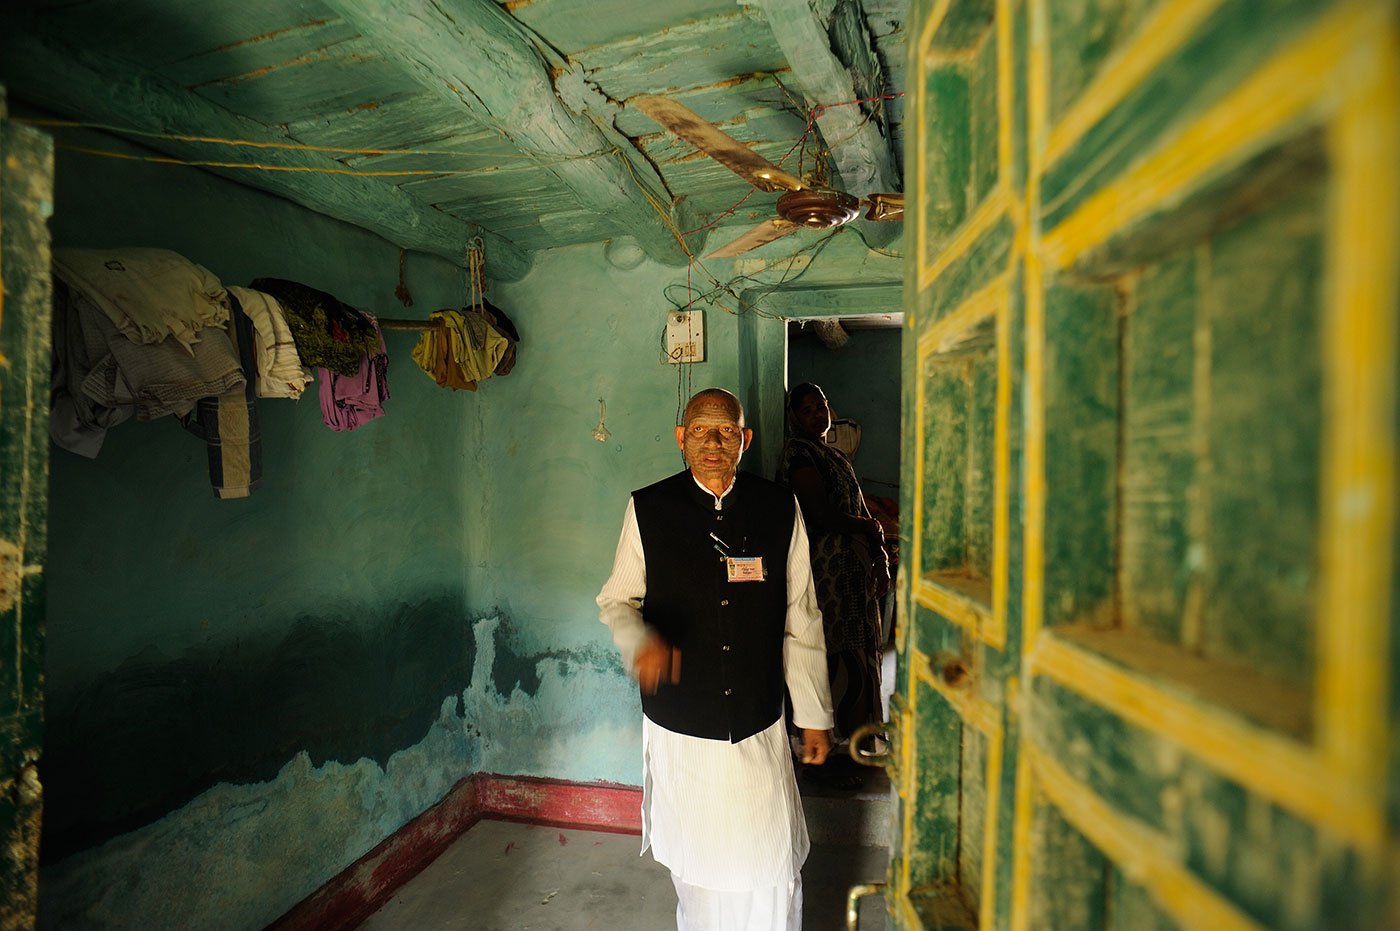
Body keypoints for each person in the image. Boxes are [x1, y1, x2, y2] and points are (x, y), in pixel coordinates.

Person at [597, 387, 835, 931]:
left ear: (744, 440)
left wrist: (814, 714)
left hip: (757, 718)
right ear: (681, 439)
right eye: (700, 430)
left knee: (770, 858)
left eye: (726, 430)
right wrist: (640, 642)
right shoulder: (649, 508)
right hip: (682, 727)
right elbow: (617, 598)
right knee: (699, 866)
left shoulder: (778, 507)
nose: (712, 441)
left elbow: (802, 613)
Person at [777, 383, 889, 789]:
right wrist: (867, 527)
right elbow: (819, 512)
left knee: (858, 654)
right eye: (806, 410)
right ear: (794, 419)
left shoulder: (833, 454)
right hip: (827, 575)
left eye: (821, 405)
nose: (816, 414)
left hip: (851, 574)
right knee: (833, 654)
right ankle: (829, 754)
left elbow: (854, 508)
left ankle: (857, 746)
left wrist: (875, 547)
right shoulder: (800, 453)